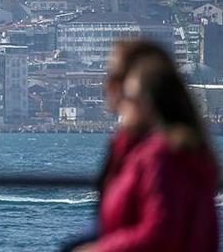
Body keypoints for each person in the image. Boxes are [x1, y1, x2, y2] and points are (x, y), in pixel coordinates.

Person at [73, 40, 218, 252]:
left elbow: (162, 231)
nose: (106, 86)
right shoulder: (135, 149)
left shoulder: (161, 154)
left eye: (113, 77)